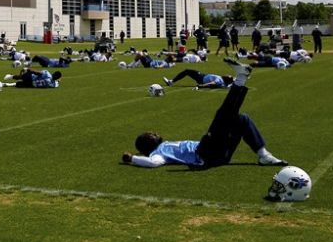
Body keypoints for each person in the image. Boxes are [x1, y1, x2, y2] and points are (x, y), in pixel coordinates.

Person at [122, 62, 287, 169]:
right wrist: (132, 159)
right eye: (149, 136)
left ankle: (264, 155)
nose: (153, 134)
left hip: (216, 152)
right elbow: (153, 163)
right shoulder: (157, 153)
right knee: (222, 116)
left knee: (240, 118)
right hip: (206, 155)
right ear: (147, 145)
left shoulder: (166, 144)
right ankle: (240, 79)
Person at [162, 69, 227, 89]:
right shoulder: (222, 79)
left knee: (187, 71)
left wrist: (202, 86)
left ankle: (171, 81)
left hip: (201, 78)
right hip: (203, 76)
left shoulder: (219, 80)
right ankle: (171, 81)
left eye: (228, 76)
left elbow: (213, 83)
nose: (227, 75)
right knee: (188, 71)